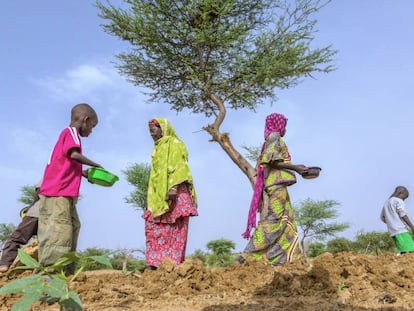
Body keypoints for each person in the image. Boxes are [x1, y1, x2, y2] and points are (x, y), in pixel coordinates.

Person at [37, 103, 102, 275]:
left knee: (73, 226)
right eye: (92, 126)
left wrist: (86, 174)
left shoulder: (68, 136)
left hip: (64, 193)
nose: (91, 131)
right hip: (57, 193)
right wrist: (95, 164)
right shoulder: (70, 133)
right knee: (59, 231)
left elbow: (67, 164)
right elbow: (73, 154)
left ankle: (67, 271)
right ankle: (50, 275)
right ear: (85, 120)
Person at [239, 113, 309, 266]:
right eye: (284, 126)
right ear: (278, 125)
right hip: (276, 185)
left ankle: (281, 261)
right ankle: (246, 255)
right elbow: (273, 162)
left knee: (286, 220)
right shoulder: (274, 137)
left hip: (278, 185)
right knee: (275, 220)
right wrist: (296, 168)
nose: (285, 130)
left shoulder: (270, 139)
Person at [142, 118, 198, 271]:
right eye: (150, 132)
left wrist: (173, 188)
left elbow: (180, 166)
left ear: (163, 128)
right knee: (154, 225)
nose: (152, 135)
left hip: (176, 192)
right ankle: (154, 263)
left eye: (153, 130)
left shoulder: (174, 143)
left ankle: (172, 264)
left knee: (176, 228)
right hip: (160, 195)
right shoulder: (158, 147)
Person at [0, 182, 41, 273]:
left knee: (16, 238)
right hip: (58, 215)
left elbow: (38, 197)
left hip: (37, 213)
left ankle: (4, 263)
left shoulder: (51, 175)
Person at [380, 186, 414, 254]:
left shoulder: (387, 202)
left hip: (393, 231)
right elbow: (402, 214)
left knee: (404, 250)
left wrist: (391, 222)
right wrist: (412, 226)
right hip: (400, 229)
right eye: (404, 198)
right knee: (411, 250)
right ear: (400, 193)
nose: (403, 200)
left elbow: (382, 217)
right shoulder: (398, 200)